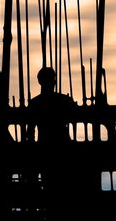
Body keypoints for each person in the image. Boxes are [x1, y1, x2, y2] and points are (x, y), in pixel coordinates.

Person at [26, 67, 78, 200]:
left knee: (51, 187)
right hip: (59, 148)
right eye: (52, 78)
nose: (53, 82)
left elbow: (30, 132)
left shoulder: (35, 103)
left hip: (46, 148)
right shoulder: (63, 100)